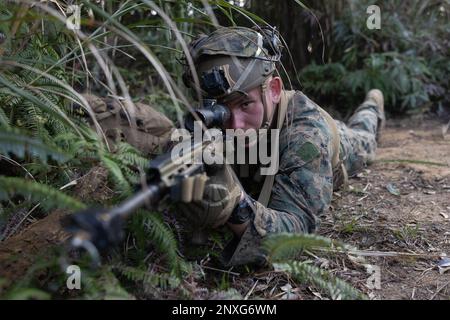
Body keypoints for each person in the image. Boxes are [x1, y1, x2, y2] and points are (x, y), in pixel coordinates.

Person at [176, 26, 385, 267]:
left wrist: (235, 208)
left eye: (245, 105)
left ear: (274, 89)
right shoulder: (213, 121)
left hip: (339, 141)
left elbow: (294, 237)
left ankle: (371, 105)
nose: (235, 125)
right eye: (221, 110)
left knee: (364, 133)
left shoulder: (306, 139)